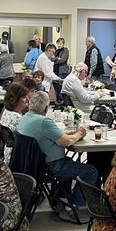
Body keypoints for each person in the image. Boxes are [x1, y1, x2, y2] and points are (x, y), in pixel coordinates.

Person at [18, 92, 97, 222]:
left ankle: (60, 200)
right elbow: (66, 142)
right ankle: (72, 207)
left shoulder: (26, 117)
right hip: (51, 167)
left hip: (34, 164)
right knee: (91, 171)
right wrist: (80, 133)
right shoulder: (44, 121)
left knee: (69, 161)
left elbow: (51, 134)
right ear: (46, 108)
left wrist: (71, 133)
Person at [0, 83, 29, 164]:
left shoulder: (6, 111)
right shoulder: (18, 118)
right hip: (18, 156)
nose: (27, 99)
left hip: (7, 151)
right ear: (16, 100)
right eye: (24, 97)